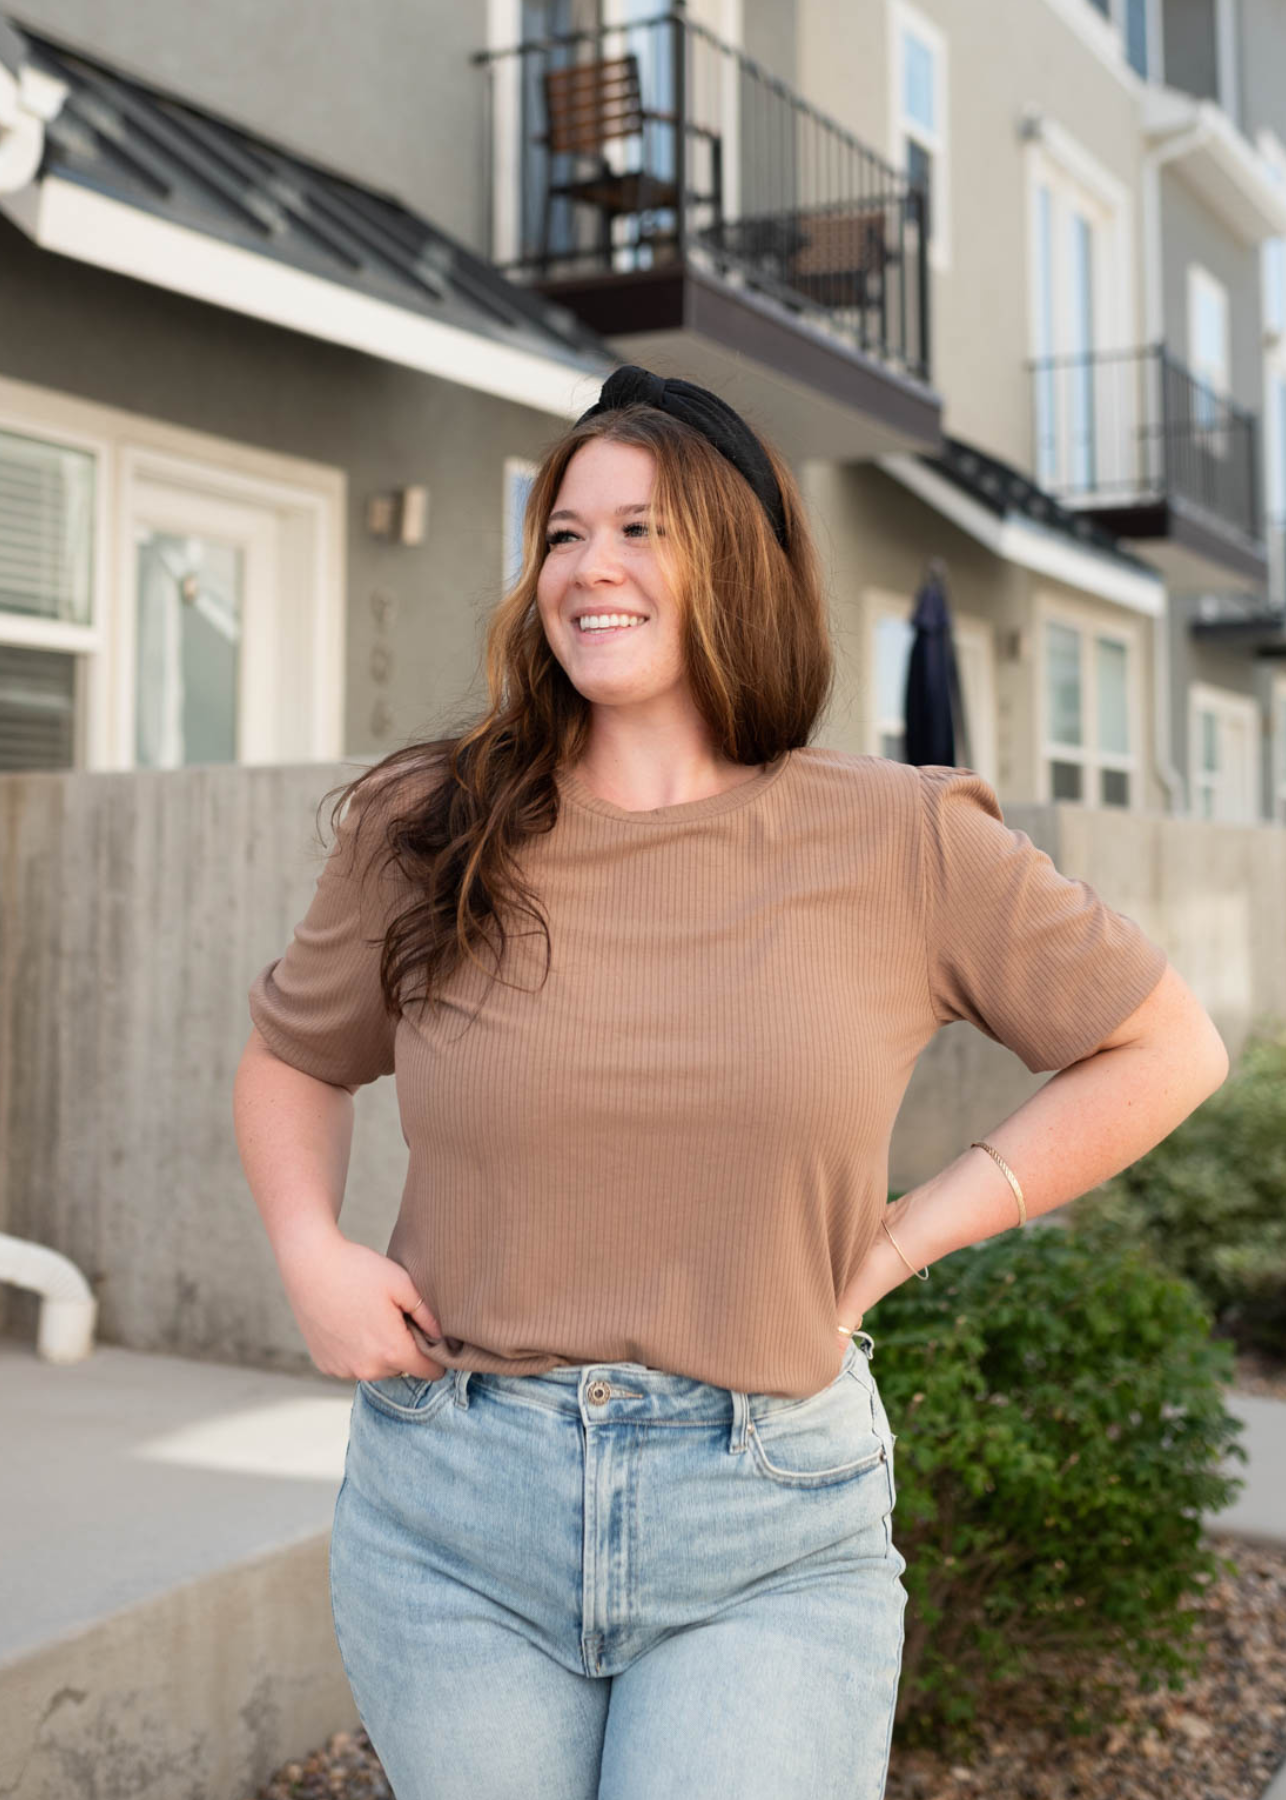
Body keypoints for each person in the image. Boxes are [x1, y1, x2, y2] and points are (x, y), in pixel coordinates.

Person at [232, 364, 1228, 1800]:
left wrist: (901, 1238)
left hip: (766, 1517)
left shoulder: (899, 837)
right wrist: (307, 1249)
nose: (590, 567)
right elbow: (292, 1056)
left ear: (739, 561)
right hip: (453, 1510)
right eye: (562, 532)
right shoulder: (429, 822)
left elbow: (1165, 1047)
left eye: (641, 529)